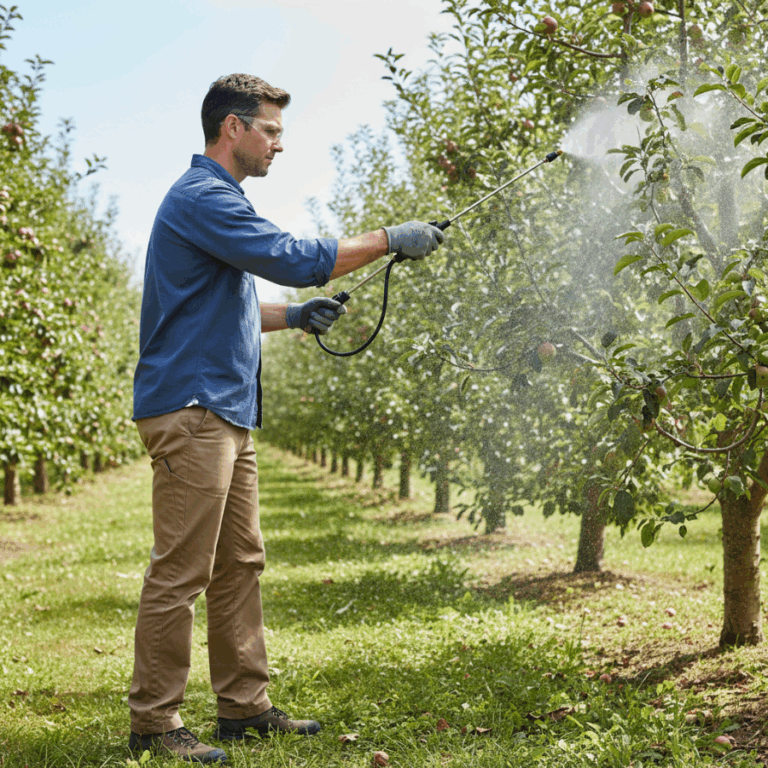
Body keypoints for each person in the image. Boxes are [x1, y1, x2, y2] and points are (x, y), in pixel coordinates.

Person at [128, 73, 445, 765]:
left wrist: (295, 318)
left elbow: (232, 306)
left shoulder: (217, 202)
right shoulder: (205, 197)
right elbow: (294, 259)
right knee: (181, 572)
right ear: (232, 127)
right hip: (194, 409)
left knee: (240, 562)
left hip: (224, 410)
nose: (279, 143)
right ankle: (154, 722)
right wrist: (388, 237)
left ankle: (244, 707)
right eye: (270, 130)